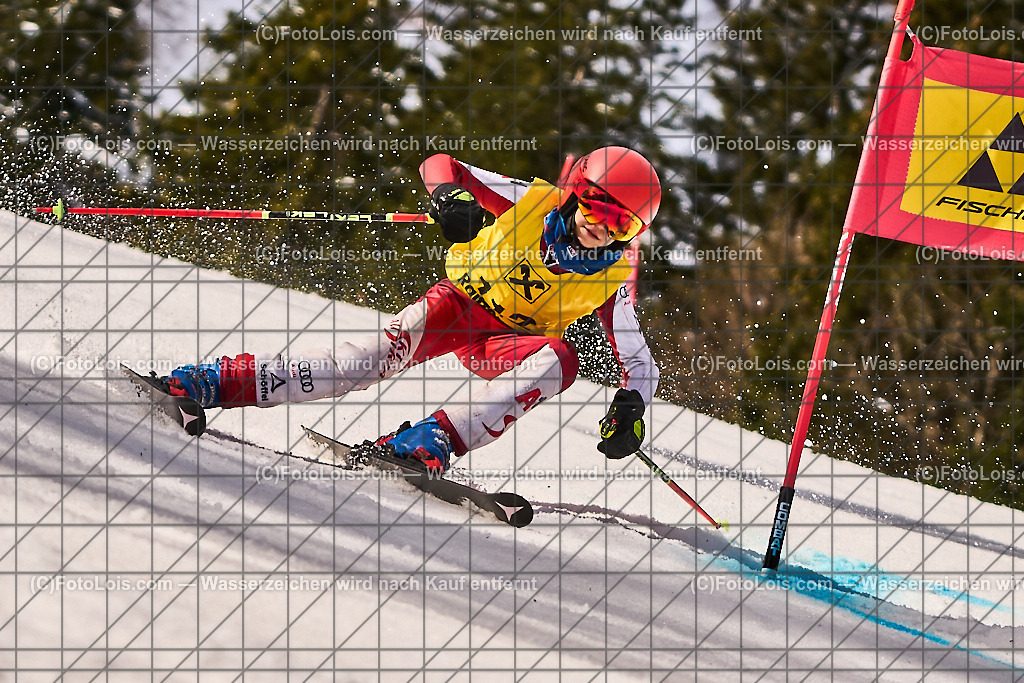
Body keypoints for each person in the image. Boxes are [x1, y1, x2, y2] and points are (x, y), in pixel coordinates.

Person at [163, 146, 661, 473]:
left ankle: (430, 441)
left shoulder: (611, 279)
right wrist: (449, 196)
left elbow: (640, 363)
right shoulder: (531, 201)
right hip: (456, 305)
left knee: (561, 360)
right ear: (575, 193)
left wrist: (631, 406)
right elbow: (440, 163)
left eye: (622, 224)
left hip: (502, 343)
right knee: (369, 360)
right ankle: (216, 381)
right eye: (597, 206)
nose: (602, 227)